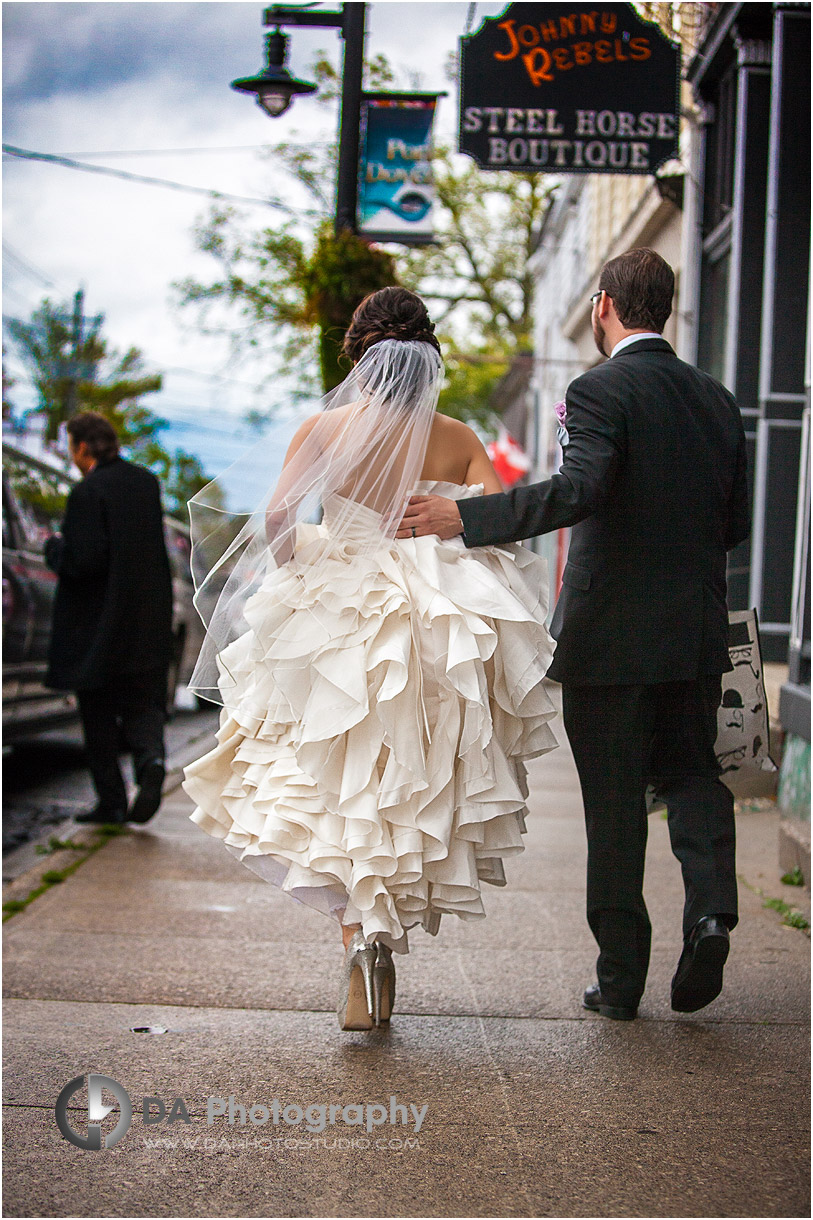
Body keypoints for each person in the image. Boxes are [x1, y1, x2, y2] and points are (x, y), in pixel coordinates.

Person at [181, 287, 559, 1030]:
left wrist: (302, 566)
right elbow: (497, 524)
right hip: (429, 614)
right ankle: (383, 932)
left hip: (341, 605)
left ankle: (358, 940)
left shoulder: (324, 427)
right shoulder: (455, 435)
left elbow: (281, 519)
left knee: (339, 785)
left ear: (358, 357)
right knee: (410, 782)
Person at [398, 249, 750, 1021]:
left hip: (610, 635)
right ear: (665, 305)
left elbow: (580, 488)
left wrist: (468, 517)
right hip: (694, 629)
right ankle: (711, 914)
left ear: (602, 308)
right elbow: (737, 526)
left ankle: (620, 983)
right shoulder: (718, 402)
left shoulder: (596, 389)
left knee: (615, 805)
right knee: (694, 774)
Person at [44, 411, 174, 825]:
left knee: (97, 710)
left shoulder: (88, 492)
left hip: (97, 623)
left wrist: (53, 549)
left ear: (82, 447)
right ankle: (150, 759)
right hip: (146, 618)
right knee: (142, 702)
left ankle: (112, 801)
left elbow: (83, 561)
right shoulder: (145, 483)